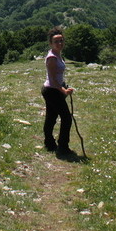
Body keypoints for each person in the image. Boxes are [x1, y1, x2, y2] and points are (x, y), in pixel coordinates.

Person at [41, 27, 77, 158]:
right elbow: (52, 78)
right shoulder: (52, 58)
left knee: (51, 117)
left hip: (54, 90)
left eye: (61, 40)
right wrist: (63, 90)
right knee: (66, 118)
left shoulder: (57, 55)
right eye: (56, 41)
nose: (60, 43)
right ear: (51, 43)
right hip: (52, 91)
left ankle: (50, 143)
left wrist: (63, 86)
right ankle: (62, 146)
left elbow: (57, 77)